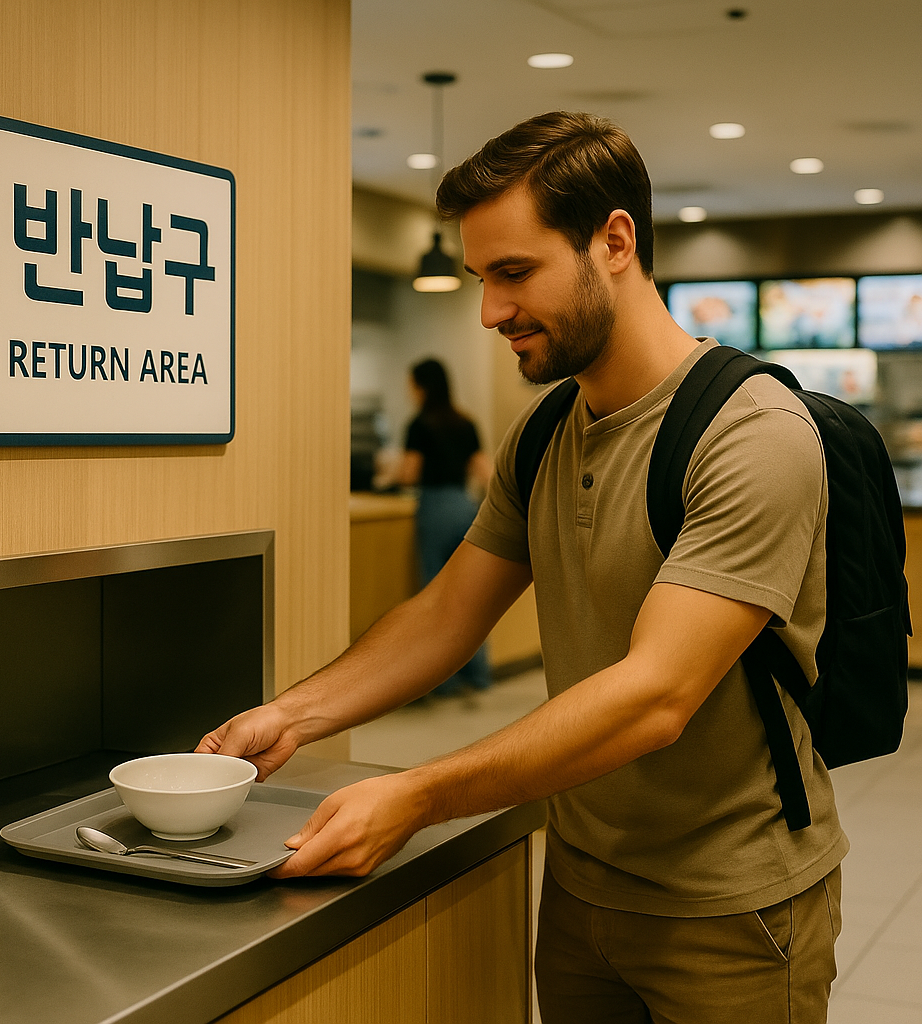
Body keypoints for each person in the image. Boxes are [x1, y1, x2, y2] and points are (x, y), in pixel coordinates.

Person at [198, 110, 847, 1022]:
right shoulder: (543, 432)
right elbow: (447, 614)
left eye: (514, 272)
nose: (491, 311)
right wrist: (292, 715)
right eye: (480, 277)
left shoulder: (751, 435)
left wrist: (418, 795)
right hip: (583, 889)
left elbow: (656, 697)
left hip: (732, 910)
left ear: (613, 241)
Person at [399, 357, 492, 694]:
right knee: (472, 594)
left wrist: (389, 474)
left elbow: (409, 474)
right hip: (464, 506)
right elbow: (484, 471)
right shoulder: (464, 421)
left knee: (436, 596)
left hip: (435, 507)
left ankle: (444, 682)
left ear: (422, 386)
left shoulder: (419, 425)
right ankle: (478, 674)